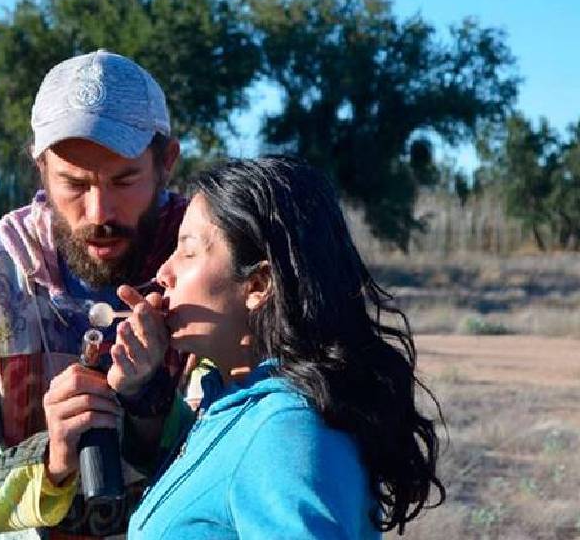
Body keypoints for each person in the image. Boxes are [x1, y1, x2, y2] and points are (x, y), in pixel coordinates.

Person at [0, 50, 189, 539]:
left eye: (124, 180)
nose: (99, 211)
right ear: (40, 167)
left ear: (166, 162)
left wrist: (150, 400)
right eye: (74, 183)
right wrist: (50, 460)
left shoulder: (211, 272)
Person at [119, 157, 445, 539]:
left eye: (187, 252)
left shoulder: (285, 433)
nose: (163, 273)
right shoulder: (232, 405)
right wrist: (142, 388)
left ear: (258, 284)